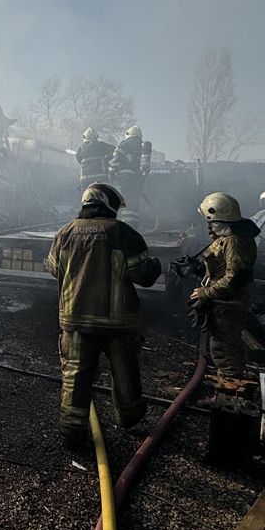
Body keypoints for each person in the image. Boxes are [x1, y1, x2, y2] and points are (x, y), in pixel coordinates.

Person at [45, 183, 162, 446]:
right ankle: (129, 418)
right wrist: (156, 266)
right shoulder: (123, 233)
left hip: (75, 320)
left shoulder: (65, 233)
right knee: (124, 371)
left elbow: (54, 268)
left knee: (75, 374)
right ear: (110, 207)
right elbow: (143, 275)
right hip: (117, 323)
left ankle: (71, 431)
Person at [190, 193, 261, 380]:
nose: (208, 226)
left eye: (210, 221)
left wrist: (206, 293)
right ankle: (229, 384)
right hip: (224, 304)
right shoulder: (227, 238)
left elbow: (235, 278)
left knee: (224, 350)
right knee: (224, 346)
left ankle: (231, 393)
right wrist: (199, 270)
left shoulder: (233, 241)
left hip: (228, 305)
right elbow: (221, 267)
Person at [109, 126, 145, 220]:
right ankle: (134, 222)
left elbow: (117, 159)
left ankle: (126, 223)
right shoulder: (142, 146)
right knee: (134, 199)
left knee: (126, 199)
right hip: (137, 178)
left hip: (125, 177)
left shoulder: (124, 144)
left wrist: (111, 171)